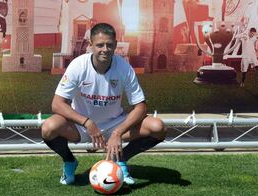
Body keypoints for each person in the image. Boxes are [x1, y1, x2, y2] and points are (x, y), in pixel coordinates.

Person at [41, 23, 166, 185]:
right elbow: (57, 104)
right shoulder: (78, 66)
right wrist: (87, 122)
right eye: (100, 45)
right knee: (48, 128)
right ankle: (69, 161)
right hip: (81, 127)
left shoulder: (124, 68)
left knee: (158, 127)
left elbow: (141, 107)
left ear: (115, 45)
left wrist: (118, 132)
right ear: (90, 46)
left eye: (109, 45)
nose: (105, 49)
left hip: (115, 125)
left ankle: (120, 160)